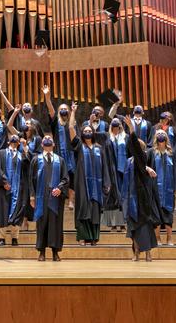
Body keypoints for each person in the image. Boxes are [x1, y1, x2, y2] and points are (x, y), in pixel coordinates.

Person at [68, 104, 111, 246]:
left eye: (89, 131)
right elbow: (70, 129)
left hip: (97, 185)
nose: (87, 132)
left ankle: (93, 237)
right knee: (83, 209)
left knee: (94, 210)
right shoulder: (79, 146)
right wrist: (73, 112)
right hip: (82, 184)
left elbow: (105, 166)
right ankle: (82, 237)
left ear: (93, 133)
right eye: (85, 130)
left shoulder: (99, 148)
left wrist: (106, 183)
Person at [121, 116, 162, 262]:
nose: (133, 148)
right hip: (130, 197)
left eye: (136, 146)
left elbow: (137, 152)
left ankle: (148, 253)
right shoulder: (129, 162)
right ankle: (136, 252)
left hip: (141, 199)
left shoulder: (143, 159)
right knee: (133, 228)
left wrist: (132, 129)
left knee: (144, 227)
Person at [30, 135, 70, 261]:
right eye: (45, 139)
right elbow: (30, 179)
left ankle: (55, 252)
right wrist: (32, 196)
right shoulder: (36, 159)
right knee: (42, 224)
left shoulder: (60, 160)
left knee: (56, 225)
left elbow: (66, 178)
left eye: (50, 139)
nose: (47, 139)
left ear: (54, 145)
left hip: (56, 197)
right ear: (41, 144)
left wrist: (60, 187)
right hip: (41, 196)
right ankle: (41, 252)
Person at [0, 134, 31, 246]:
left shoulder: (21, 155)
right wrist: (4, 182)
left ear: (18, 142)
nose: (14, 142)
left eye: (16, 141)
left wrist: (25, 147)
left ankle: (15, 237)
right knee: (2, 212)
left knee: (17, 213)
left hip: (18, 189)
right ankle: (2, 238)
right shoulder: (1, 153)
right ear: (8, 142)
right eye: (12, 140)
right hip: (2, 188)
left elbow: (29, 164)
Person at [42, 85, 76, 210]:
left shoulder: (72, 123)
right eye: (61, 109)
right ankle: (57, 197)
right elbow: (51, 111)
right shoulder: (56, 122)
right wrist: (47, 97)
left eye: (65, 109)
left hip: (71, 153)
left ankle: (71, 200)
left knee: (72, 177)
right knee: (58, 175)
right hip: (58, 153)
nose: (63, 111)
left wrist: (73, 111)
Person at [150, 130, 176, 246]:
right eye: (158, 133)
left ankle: (169, 238)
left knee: (168, 214)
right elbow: (145, 167)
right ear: (155, 137)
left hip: (169, 189)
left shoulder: (171, 153)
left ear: (166, 137)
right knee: (157, 214)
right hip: (155, 188)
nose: (161, 135)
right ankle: (158, 238)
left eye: (163, 133)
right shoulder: (151, 152)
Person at [102, 118, 127, 231]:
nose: (116, 125)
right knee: (111, 197)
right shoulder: (107, 137)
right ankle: (112, 223)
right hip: (110, 171)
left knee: (122, 196)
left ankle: (122, 223)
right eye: (114, 123)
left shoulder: (125, 137)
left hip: (122, 172)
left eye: (118, 123)